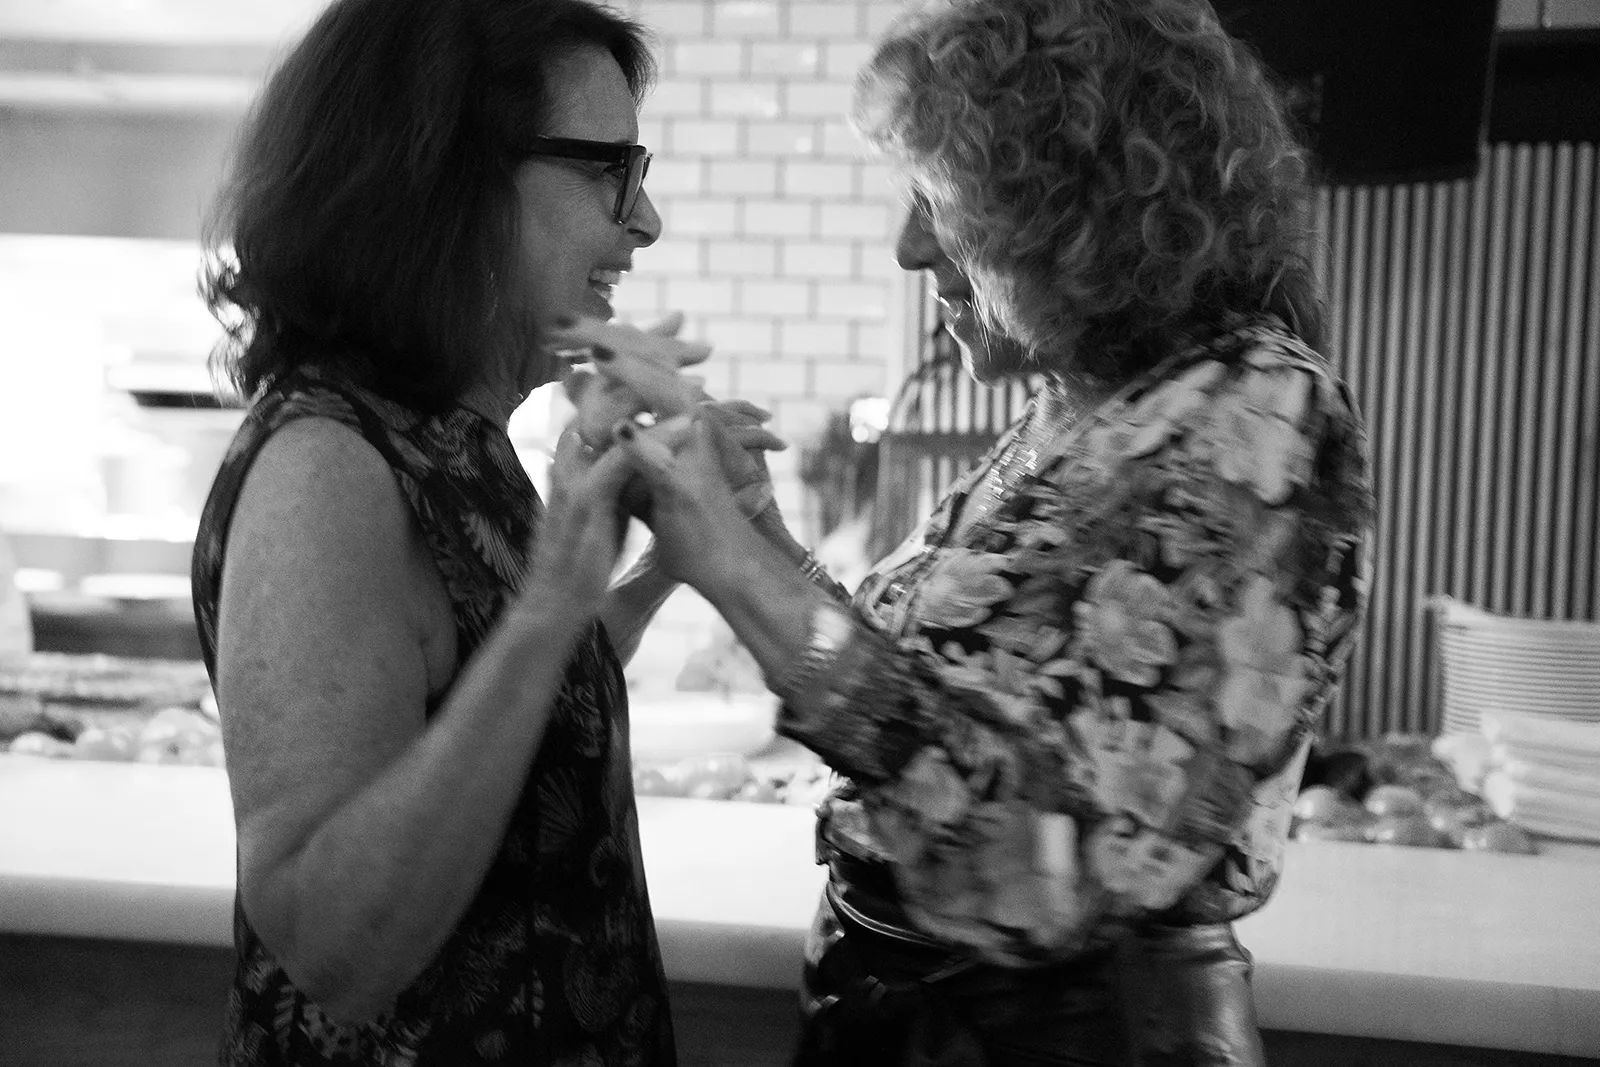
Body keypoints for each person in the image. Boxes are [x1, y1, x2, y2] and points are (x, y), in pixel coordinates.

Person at [576, 0, 1375, 1063]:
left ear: (1072, 206)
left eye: (939, 200)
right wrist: (759, 532)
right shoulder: (1073, 412)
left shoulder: (1255, 406)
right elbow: (925, 701)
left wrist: (724, 557)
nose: (911, 248)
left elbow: (1051, 862)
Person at [190, 0, 780, 1063]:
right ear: (447, 179)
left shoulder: (456, 437)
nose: (644, 221)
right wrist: (556, 588)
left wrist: (651, 568)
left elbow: (492, 695)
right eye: (611, 168)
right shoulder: (330, 466)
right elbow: (333, 941)